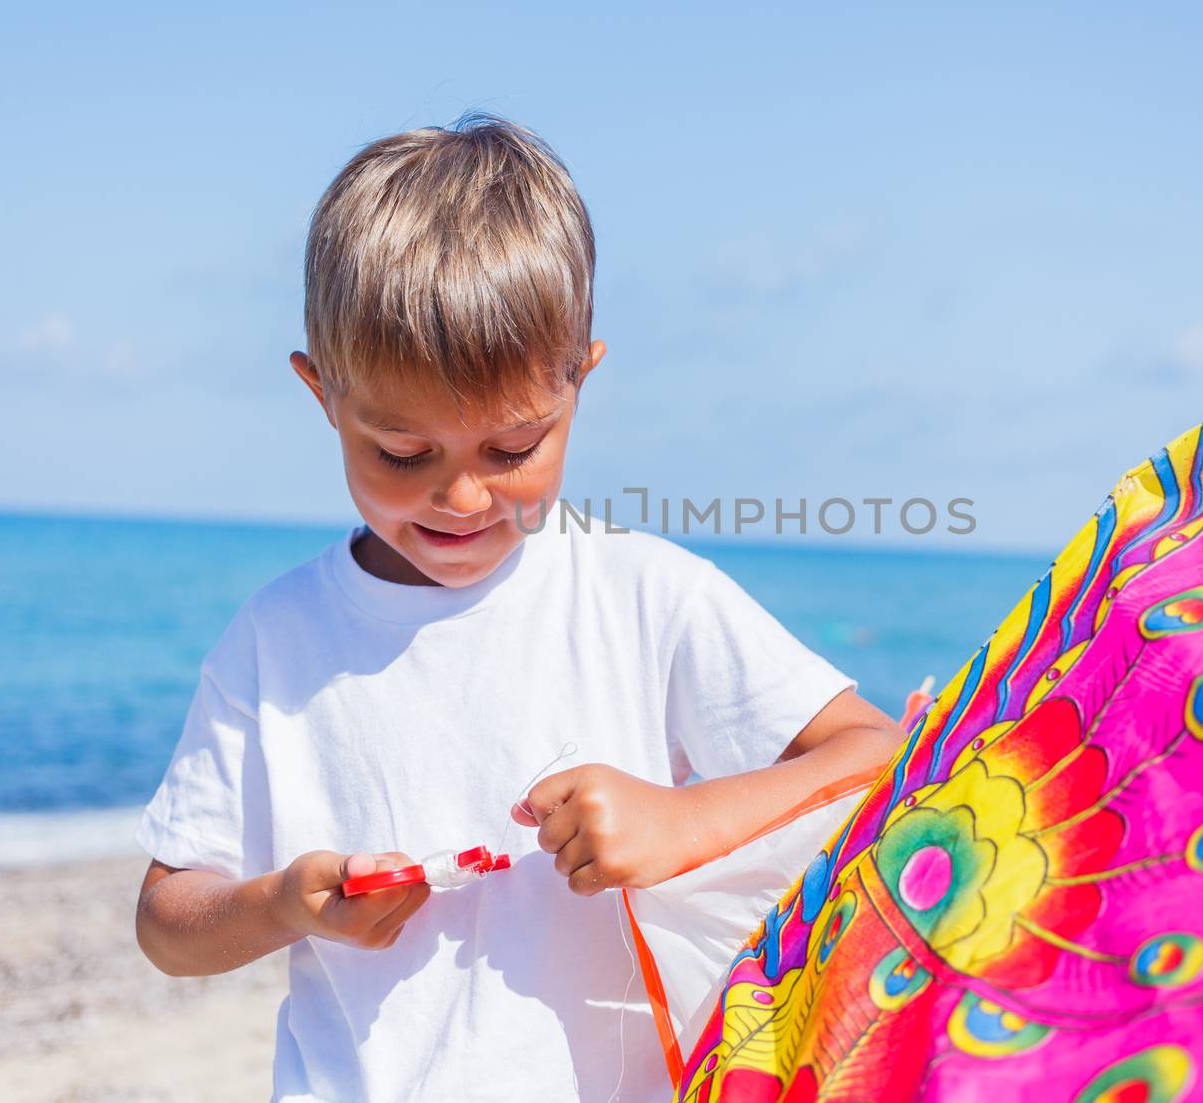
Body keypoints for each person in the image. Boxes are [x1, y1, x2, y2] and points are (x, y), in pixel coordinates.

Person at [132, 113, 901, 1102]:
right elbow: (165, 920)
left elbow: (874, 752)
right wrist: (285, 899)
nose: (461, 499)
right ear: (322, 394)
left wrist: (681, 818)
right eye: (402, 454)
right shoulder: (275, 641)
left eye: (512, 449)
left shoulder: (641, 594)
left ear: (579, 376)